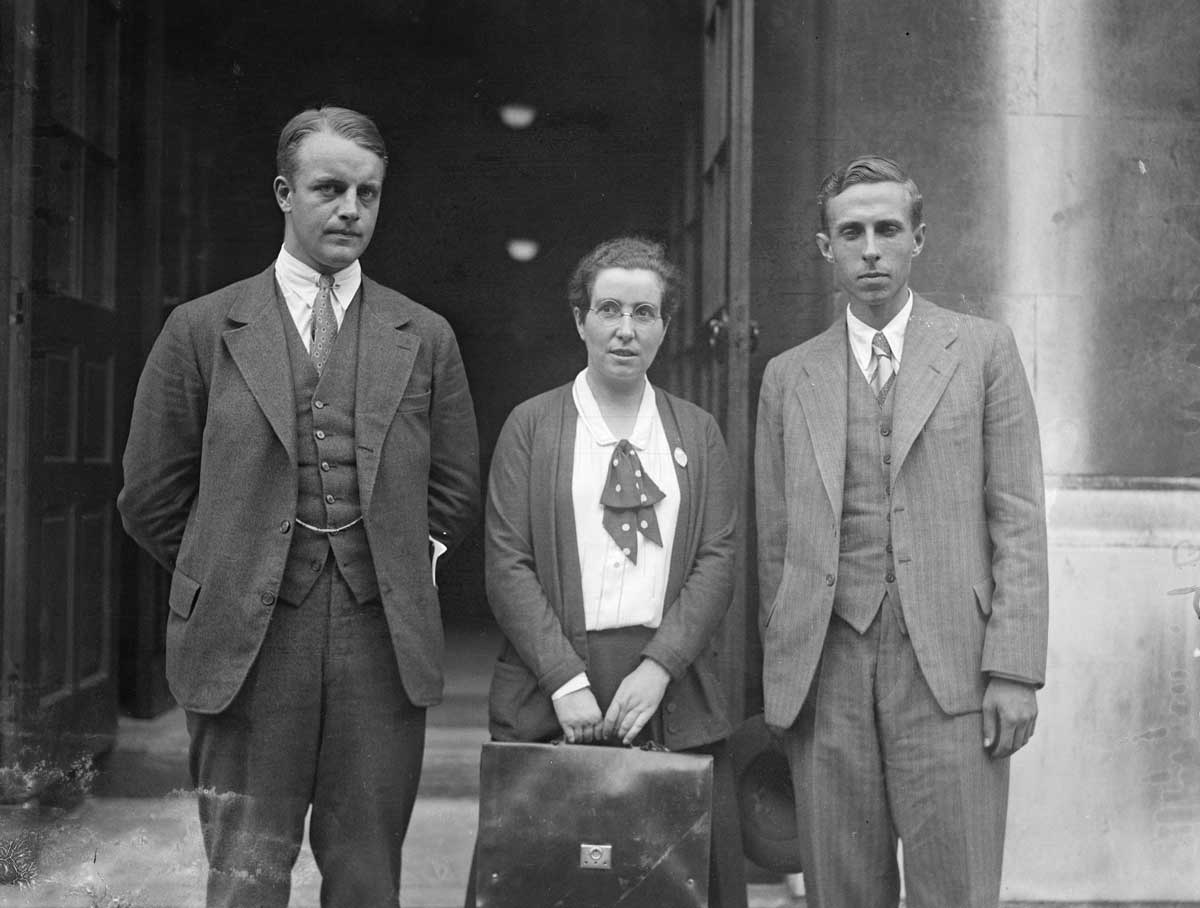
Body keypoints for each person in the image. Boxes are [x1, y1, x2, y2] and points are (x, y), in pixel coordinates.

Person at [118, 105, 480, 907]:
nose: (351, 209)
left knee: (366, 878)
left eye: (369, 193)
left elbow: (454, 490)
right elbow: (149, 493)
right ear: (284, 192)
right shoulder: (202, 330)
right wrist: (231, 557)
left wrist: (390, 561)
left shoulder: (424, 335)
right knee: (246, 876)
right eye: (329, 188)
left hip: (379, 645)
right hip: (246, 647)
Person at [755, 155, 1048, 908]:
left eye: (889, 229)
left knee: (957, 885)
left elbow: (1016, 517)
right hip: (828, 668)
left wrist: (1012, 669)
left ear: (919, 238)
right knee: (841, 890)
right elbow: (776, 542)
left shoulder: (982, 350)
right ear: (826, 248)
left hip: (950, 665)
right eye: (851, 232)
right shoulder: (790, 376)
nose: (871, 248)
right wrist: (787, 671)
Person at [472, 236, 747, 908]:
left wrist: (660, 666)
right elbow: (507, 561)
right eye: (609, 310)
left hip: (666, 685)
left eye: (645, 313)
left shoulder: (697, 433)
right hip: (557, 680)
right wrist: (564, 680)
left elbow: (718, 556)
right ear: (580, 319)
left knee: (672, 881)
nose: (626, 330)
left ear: (665, 325)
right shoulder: (532, 428)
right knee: (550, 876)